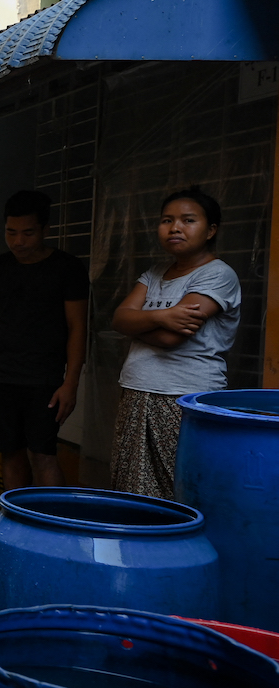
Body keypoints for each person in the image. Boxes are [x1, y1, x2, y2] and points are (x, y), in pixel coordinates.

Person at [111, 187, 241, 499]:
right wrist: (163, 316)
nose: (175, 227)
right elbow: (117, 319)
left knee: (180, 485)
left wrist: (139, 320)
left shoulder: (218, 274)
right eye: (167, 220)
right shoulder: (153, 273)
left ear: (210, 230)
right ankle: (138, 547)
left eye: (188, 220)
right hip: (137, 390)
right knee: (132, 488)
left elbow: (170, 338)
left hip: (184, 396)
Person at [0, 190, 89, 490]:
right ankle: (16, 525)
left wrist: (70, 382)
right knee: (11, 453)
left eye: (28, 233)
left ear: (45, 230)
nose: (18, 241)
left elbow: (77, 328)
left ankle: (54, 527)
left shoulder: (67, 268)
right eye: (11, 232)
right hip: (1, 375)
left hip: (45, 378)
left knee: (43, 453)